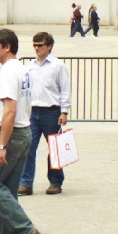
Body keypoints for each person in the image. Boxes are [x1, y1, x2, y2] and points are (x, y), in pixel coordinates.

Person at [0, 29, 42, 234]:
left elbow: (10, 110)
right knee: (7, 188)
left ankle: (24, 228)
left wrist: (2, 145)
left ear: (7, 47)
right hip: (23, 131)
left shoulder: (8, 72)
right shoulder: (23, 70)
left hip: (9, 134)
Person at [20, 32, 70, 196]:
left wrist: (64, 111)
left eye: (40, 45)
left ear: (49, 46)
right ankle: (26, 183)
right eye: (34, 45)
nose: (36, 48)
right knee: (28, 148)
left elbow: (64, 90)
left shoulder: (58, 66)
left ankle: (55, 182)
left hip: (51, 112)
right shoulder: (29, 66)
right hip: (33, 112)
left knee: (55, 149)